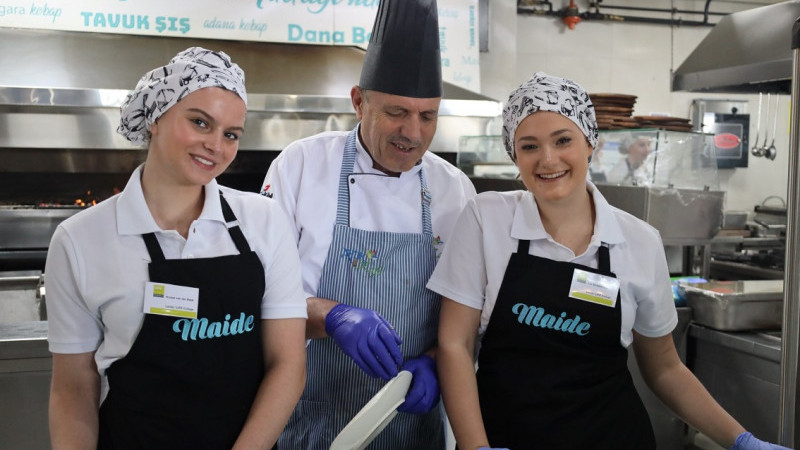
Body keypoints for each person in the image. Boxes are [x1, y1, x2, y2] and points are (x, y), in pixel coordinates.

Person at [428, 72, 791, 450]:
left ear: (591, 144)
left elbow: (665, 369)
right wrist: (474, 447)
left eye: (563, 140)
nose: (547, 159)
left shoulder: (638, 242)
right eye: (529, 146)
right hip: (506, 436)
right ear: (514, 156)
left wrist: (740, 440)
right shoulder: (486, 220)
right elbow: (455, 343)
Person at [46, 47, 308, 450]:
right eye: (200, 122)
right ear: (155, 118)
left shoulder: (264, 222)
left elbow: (287, 364)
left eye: (230, 134)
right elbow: (73, 387)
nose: (215, 146)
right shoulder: (80, 240)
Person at [260, 0, 476, 447]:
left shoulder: (455, 191)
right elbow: (258, 291)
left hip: (411, 423)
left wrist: (436, 360)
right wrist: (330, 315)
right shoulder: (300, 167)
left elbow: (470, 315)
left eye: (428, 116)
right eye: (396, 112)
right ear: (359, 102)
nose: (413, 133)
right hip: (307, 416)